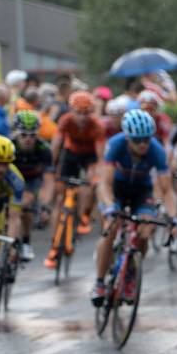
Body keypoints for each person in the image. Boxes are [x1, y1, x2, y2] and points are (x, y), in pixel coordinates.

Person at [91, 110, 177, 306]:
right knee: (110, 229)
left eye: (146, 140)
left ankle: (131, 273)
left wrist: (173, 217)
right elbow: (104, 183)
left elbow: (167, 190)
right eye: (137, 140)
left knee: (146, 228)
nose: (142, 145)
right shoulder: (116, 144)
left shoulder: (156, 150)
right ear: (128, 137)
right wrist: (111, 207)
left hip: (141, 190)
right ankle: (99, 282)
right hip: (116, 188)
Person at [46, 91, 105, 266]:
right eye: (78, 112)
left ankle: (85, 214)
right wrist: (51, 167)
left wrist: (97, 175)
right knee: (59, 198)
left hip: (89, 156)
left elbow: (101, 156)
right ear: (72, 111)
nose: (82, 117)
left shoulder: (96, 125)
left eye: (86, 112)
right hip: (70, 154)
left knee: (89, 181)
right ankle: (55, 242)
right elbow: (56, 145)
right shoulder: (66, 120)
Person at [11, 112, 54, 261]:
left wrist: (45, 206)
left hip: (31, 180)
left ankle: (26, 242)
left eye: (32, 135)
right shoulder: (9, 145)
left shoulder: (44, 148)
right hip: (10, 177)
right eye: (23, 135)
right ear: (16, 133)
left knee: (26, 206)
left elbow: (48, 181)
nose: (28, 139)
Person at [0, 136, 25, 268]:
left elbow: (14, 217)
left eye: (5, 163)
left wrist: (11, 245)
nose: (1, 169)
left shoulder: (16, 181)